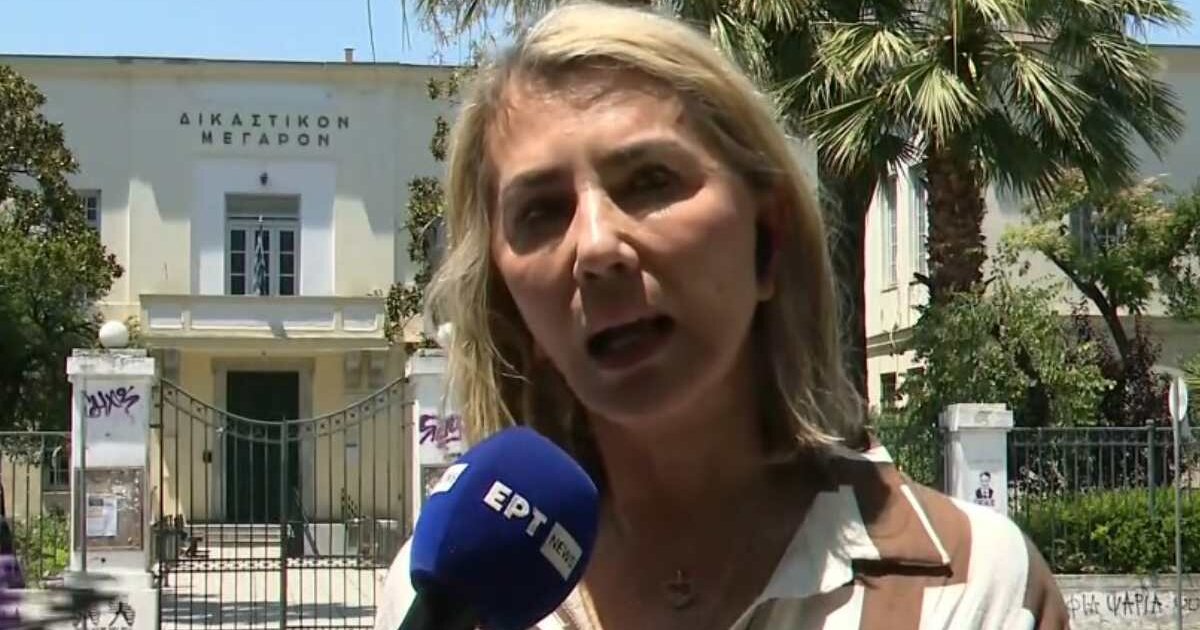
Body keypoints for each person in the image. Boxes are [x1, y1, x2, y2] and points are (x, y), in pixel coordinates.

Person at [374, 2, 1069, 628]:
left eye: (650, 181)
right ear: (512, 307)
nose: (596, 248)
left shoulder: (973, 587)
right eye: (542, 211)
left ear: (766, 241)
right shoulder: (442, 600)